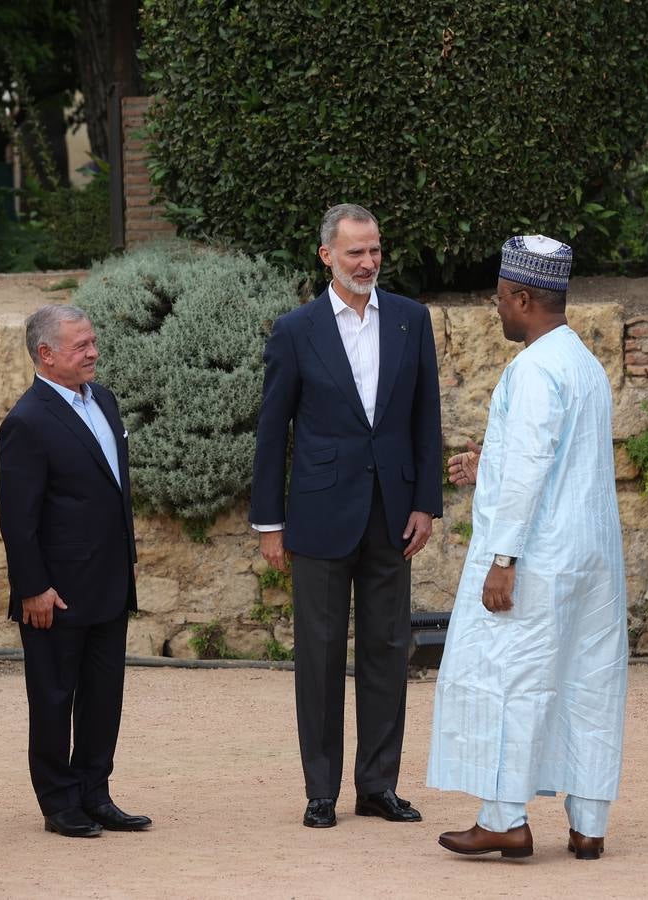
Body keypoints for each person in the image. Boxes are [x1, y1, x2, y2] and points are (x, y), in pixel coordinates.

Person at [428, 235, 628, 861]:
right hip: (592, 558)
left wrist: (503, 559)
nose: (496, 312)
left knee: (512, 678)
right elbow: (559, 460)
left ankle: (504, 819)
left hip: (539, 556)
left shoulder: (535, 367)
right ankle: (588, 825)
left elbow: (534, 467)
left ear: (522, 297)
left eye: (499, 301)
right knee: (587, 681)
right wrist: (487, 462)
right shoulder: (584, 364)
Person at [250, 203, 443, 829]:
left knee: (388, 650)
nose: (368, 262)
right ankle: (321, 790)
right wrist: (268, 523)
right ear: (326, 255)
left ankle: (378, 786)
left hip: (393, 514)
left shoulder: (412, 321)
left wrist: (426, 504)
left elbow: (424, 419)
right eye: (355, 251)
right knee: (321, 654)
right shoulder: (295, 329)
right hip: (318, 514)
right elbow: (272, 430)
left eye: (376, 250)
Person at [0, 304, 148, 839]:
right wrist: (33, 586)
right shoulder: (27, 421)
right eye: (81, 345)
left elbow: (113, 487)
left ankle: (94, 792)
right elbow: (17, 518)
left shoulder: (102, 400)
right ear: (46, 354)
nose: (93, 352)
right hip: (55, 593)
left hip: (108, 582)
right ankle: (59, 803)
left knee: (104, 695)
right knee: (55, 697)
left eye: (92, 341)